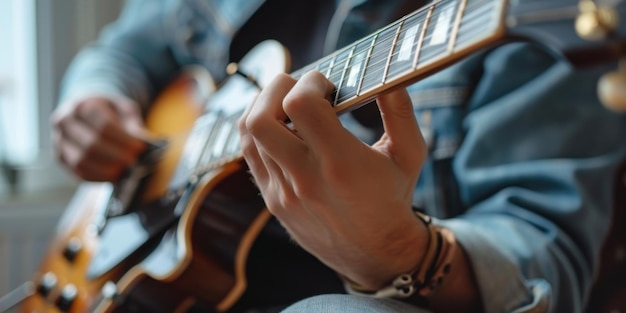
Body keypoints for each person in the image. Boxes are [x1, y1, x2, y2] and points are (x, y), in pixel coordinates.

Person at [50, 0, 626, 312]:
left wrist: (397, 251)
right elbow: (127, 44)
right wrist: (93, 94)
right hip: (126, 261)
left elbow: (549, 259)